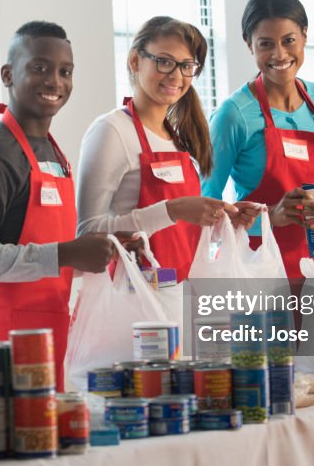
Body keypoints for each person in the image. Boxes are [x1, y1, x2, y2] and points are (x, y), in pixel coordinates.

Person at [0, 21, 126, 390]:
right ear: (8, 74)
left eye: (65, 72)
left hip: (49, 331)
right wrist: (64, 254)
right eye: (40, 68)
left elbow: (51, 250)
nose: (55, 82)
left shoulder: (52, 150)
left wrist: (108, 250)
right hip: (2, 340)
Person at [202, 0, 314, 280]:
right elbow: (206, 209)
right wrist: (271, 217)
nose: (279, 54)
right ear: (249, 44)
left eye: (289, 41)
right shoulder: (234, 114)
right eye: (266, 44)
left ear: (305, 36)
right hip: (260, 267)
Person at [77, 16, 258, 281]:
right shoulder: (111, 131)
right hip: (134, 300)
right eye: (164, 62)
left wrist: (223, 223)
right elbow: (88, 234)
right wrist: (172, 210)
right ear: (135, 61)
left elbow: (180, 233)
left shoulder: (177, 137)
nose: (176, 75)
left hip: (182, 294)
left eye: (186, 66)